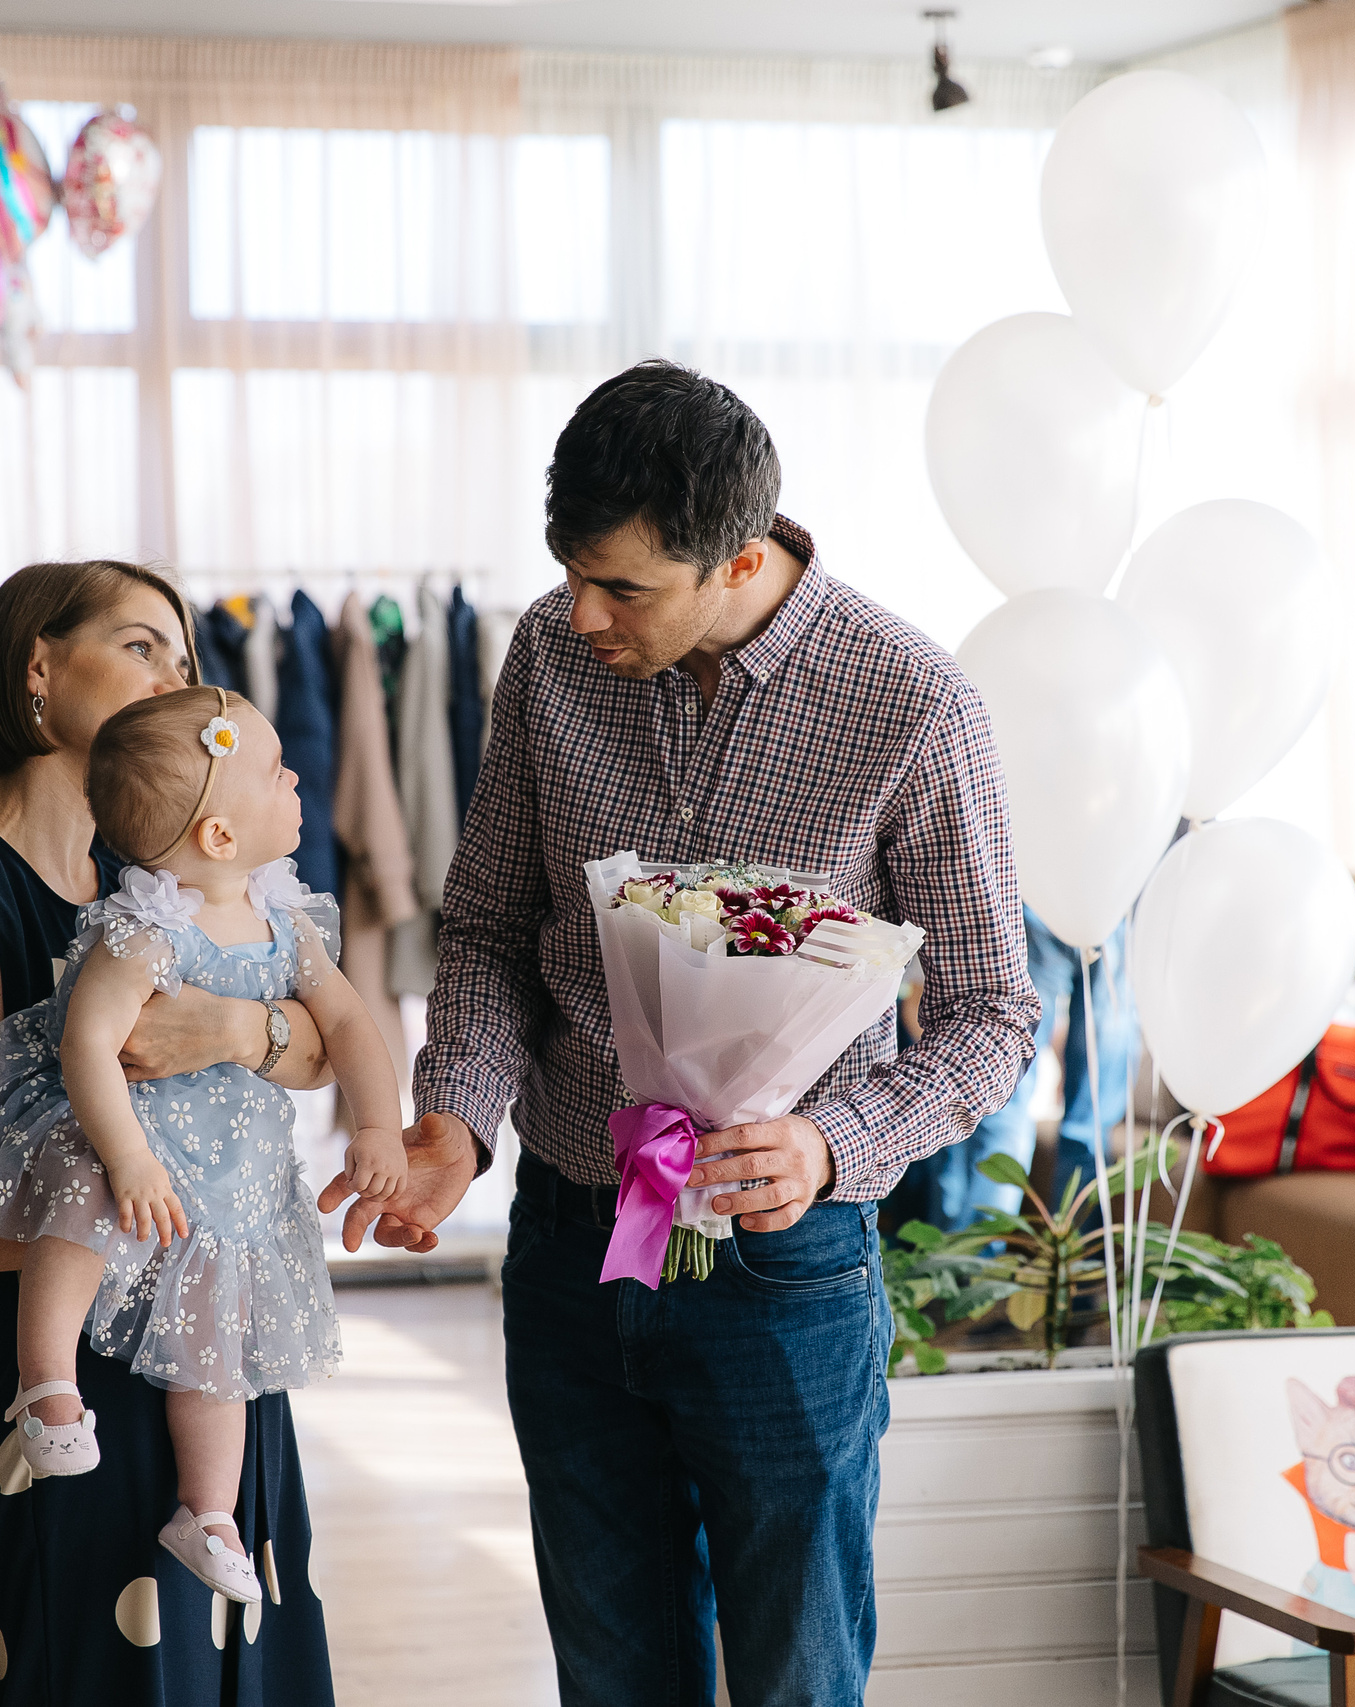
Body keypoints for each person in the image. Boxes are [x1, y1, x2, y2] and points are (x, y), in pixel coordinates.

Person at [323, 361, 1042, 1704]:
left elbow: (999, 1012)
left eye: (626, 588)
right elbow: (487, 923)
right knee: (612, 1674)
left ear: (740, 559)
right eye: (573, 572)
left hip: (785, 1266)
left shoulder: (914, 704)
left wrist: (832, 1143)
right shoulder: (547, 655)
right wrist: (457, 1119)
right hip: (568, 1243)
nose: (583, 612)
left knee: (794, 1673)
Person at [0, 561, 339, 1704]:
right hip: (82, 1388)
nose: (178, 677)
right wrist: (201, 1223)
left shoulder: (167, 875)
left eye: (183, 655)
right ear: (37, 669)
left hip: (218, 1359)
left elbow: (322, 1043)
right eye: (140, 646)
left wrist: (230, 1028)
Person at [0, 686, 407, 1604]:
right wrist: (127, 1155)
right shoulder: (145, 928)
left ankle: (209, 1512)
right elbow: (88, 1040)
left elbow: (350, 1024)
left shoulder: (290, 916)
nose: (298, 776)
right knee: (78, 1207)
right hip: (135, 1144)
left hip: (233, 1182)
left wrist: (378, 1124)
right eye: (275, 771)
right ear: (221, 839)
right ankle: (47, 1385)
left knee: (219, 1348)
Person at [916, 902, 1139, 1228]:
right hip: (1107, 908)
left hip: (1053, 902)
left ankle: (973, 1263)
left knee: (1008, 1104)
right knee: (1080, 1118)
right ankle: (1071, 1267)